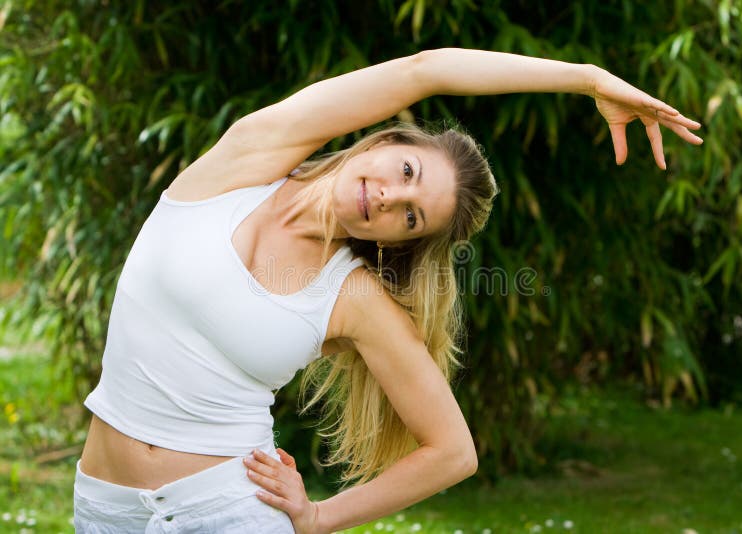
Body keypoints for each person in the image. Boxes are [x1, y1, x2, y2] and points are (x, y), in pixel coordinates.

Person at [73, 47, 703, 533]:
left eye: (410, 216)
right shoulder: (246, 158)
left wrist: (321, 517)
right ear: (390, 141)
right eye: (407, 173)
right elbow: (426, 69)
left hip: (229, 511)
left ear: (400, 241)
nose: (390, 196)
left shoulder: (351, 297)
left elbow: (453, 452)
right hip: (102, 508)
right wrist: (586, 77)